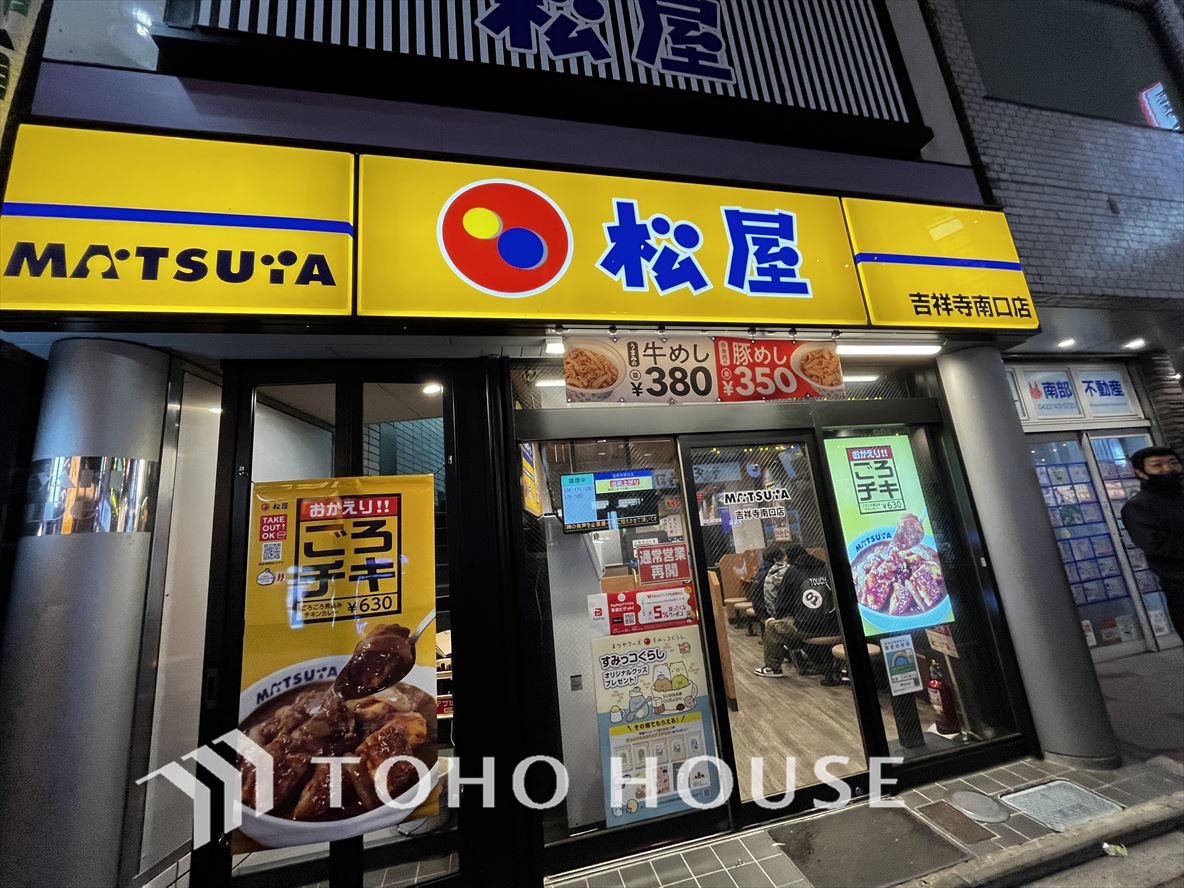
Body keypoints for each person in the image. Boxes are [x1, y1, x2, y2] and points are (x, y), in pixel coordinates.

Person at [1120, 446, 1184, 635]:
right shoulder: (1137, 507)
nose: (1168, 469)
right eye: (1157, 465)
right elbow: (1155, 544)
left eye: (1173, 463)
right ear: (1140, 473)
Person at [752, 543, 834, 677]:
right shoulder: (825, 568)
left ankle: (773, 668)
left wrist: (779, 617)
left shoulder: (792, 572)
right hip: (833, 626)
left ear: (790, 557)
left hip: (807, 627)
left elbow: (782, 604)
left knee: (773, 627)